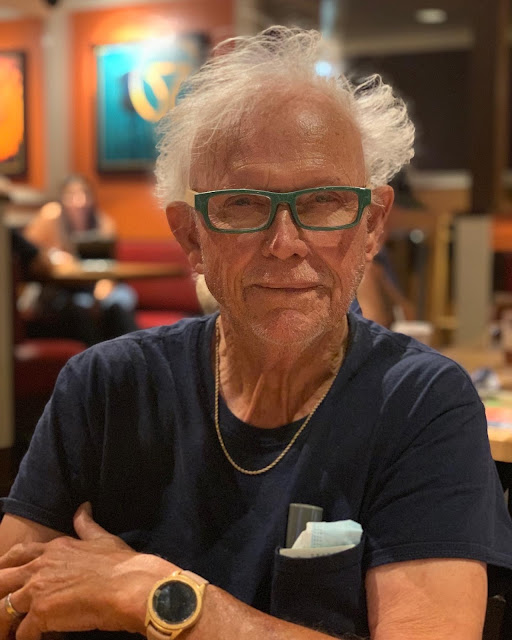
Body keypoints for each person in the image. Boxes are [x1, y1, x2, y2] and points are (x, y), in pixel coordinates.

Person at [1, 26, 512, 640]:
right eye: (242, 204)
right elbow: (10, 603)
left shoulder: (422, 403)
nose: (286, 243)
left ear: (372, 225)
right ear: (192, 236)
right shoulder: (104, 385)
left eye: (324, 201)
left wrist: (156, 595)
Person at [22, 174, 138, 344]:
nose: (79, 201)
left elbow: (111, 265)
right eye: (72, 195)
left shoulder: (104, 223)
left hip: (95, 286)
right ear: (62, 198)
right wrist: (54, 255)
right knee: (80, 305)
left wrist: (105, 286)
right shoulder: (51, 218)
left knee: (122, 299)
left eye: (84, 194)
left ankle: (130, 352)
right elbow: (29, 252)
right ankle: (95, 352)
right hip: (63, 289)